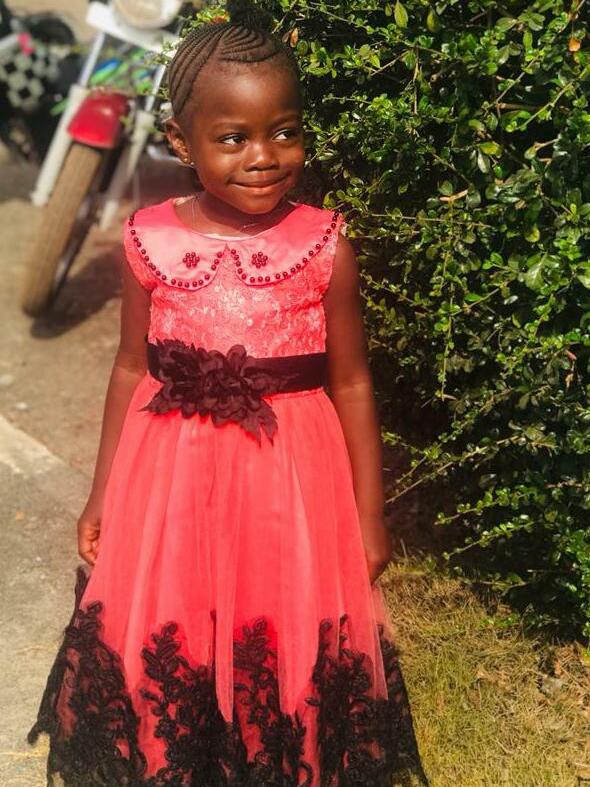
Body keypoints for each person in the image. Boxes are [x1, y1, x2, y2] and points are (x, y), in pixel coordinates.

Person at [26, 2, 429, 785]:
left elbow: (351, 382)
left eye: (285, 131)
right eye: (234, 137)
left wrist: (369, 514)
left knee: (278, 627)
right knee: (177, 616)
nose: (264, 156)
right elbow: (128, 369)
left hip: (289, 486)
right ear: (182, 142)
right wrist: (102, 493)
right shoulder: (150, 239)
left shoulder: (324, 245)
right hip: (171, 486)